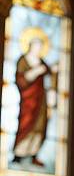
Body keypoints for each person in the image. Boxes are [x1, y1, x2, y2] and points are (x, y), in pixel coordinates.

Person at [12, 37, 56, 167]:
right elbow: (21, 80)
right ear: (31, 46)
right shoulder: (23, 60)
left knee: (39, 126)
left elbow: (50, 75)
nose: (39, 49)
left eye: (41, 47)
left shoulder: (42, 61)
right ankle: (19, 154)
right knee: (25, 123)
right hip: (27, 100)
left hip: (41, 100)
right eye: (37, 46)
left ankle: (33, 153)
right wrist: (36, 71)